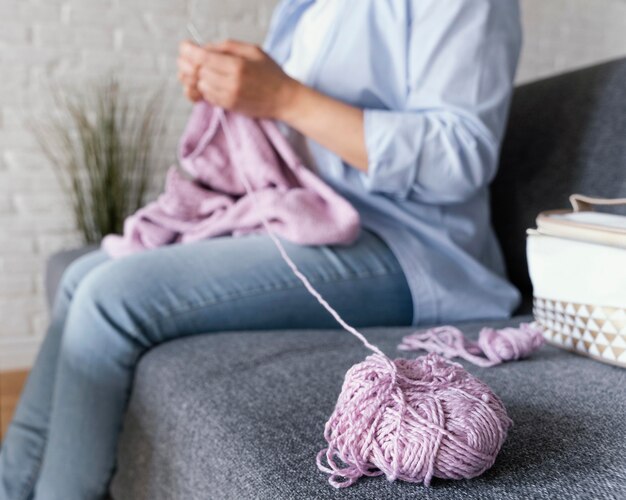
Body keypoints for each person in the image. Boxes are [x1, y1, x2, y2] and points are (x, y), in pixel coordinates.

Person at [0, 0, 523, 498]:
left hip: (413, 248)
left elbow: (459, 156)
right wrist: (240, 94)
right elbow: (298, 140)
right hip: (310, 220)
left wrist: (283, 98)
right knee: (82, 276)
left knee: (108, 298)